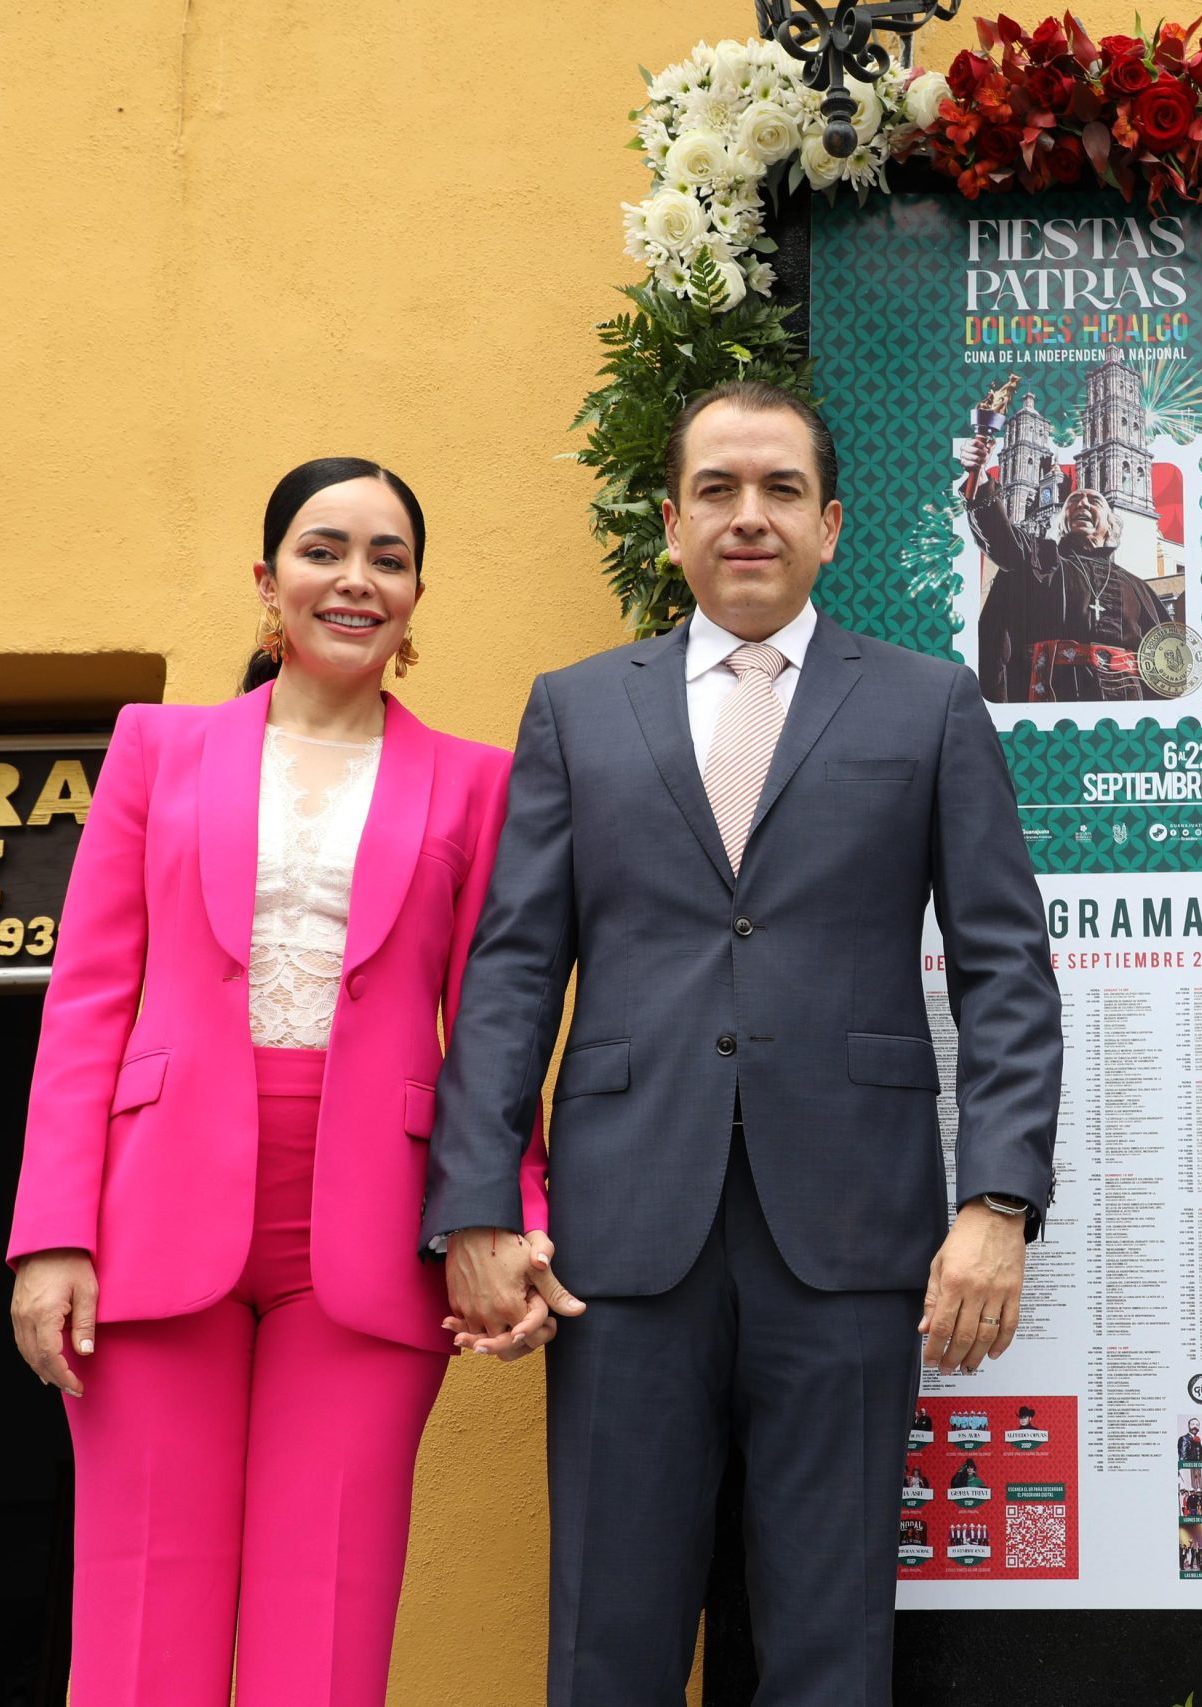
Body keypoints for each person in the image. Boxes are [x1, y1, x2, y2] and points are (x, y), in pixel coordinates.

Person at [425, 381, 1062, 1707]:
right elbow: (511, 973)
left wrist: (996, 1200)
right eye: (717, 489)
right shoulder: (576, 709)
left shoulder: (928, 705)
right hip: (620, 1238)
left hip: (851, 1228)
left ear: (831, 523)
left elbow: (1006, 968)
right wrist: (477, 1203)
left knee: (832, 1641)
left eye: (779, 490)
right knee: (611, 1630)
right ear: (671, 524)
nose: (748, 516)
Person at [5, 458, 554, 1707]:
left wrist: (512, 1216)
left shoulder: (477, 781)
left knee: (329, 1627)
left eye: (388, 558)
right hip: (153, 1216)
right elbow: (87, 996)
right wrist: (50, 1232)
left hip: (370, 1229)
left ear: (416, 596)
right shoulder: (157, 748)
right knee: (145, 1618)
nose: (355, 579)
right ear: (269, 581)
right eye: (323, 550)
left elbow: (494, 1030)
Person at [961, 441, 1168, 704]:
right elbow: (1001, 539)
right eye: (1073, 502)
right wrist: (978, 478)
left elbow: (1162, 660)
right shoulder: (1038, 559)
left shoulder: (1136, 587)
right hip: (1049, 699)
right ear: (1062, 521)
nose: (1082, 503)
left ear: (1111, 523)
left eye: (1093, 500)